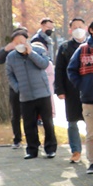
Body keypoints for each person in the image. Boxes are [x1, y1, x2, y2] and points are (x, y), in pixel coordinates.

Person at [6, 29, 57, 159]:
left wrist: (31, 53)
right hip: (25, 96)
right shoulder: (11, 57)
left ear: (27, 41)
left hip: (42, 93)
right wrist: (18, 88)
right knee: (29, 124)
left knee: (47, 122)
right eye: (16, 43)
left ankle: (50, 148)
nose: (19, 45)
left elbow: (44, 64)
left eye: (22, 42)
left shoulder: (38, 50)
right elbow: (9, 75)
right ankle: (32, 149)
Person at [68, 16, 93, 174]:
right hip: (90, 98)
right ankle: (92, 161)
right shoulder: (83, 48)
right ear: (91, 29)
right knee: (91, 133)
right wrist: (83, 86)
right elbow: (71, 70)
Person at [55, 17, 88, 163]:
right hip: (71, 90)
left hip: (89, 90)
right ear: (70, 30)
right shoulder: (64, 48)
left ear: (86, 28)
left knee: (91, 122)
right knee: (72, 122)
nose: (78, 29)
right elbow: (59, 70)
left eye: (80, 26)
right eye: (74, 27)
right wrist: (60, 89)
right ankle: (76, 150)